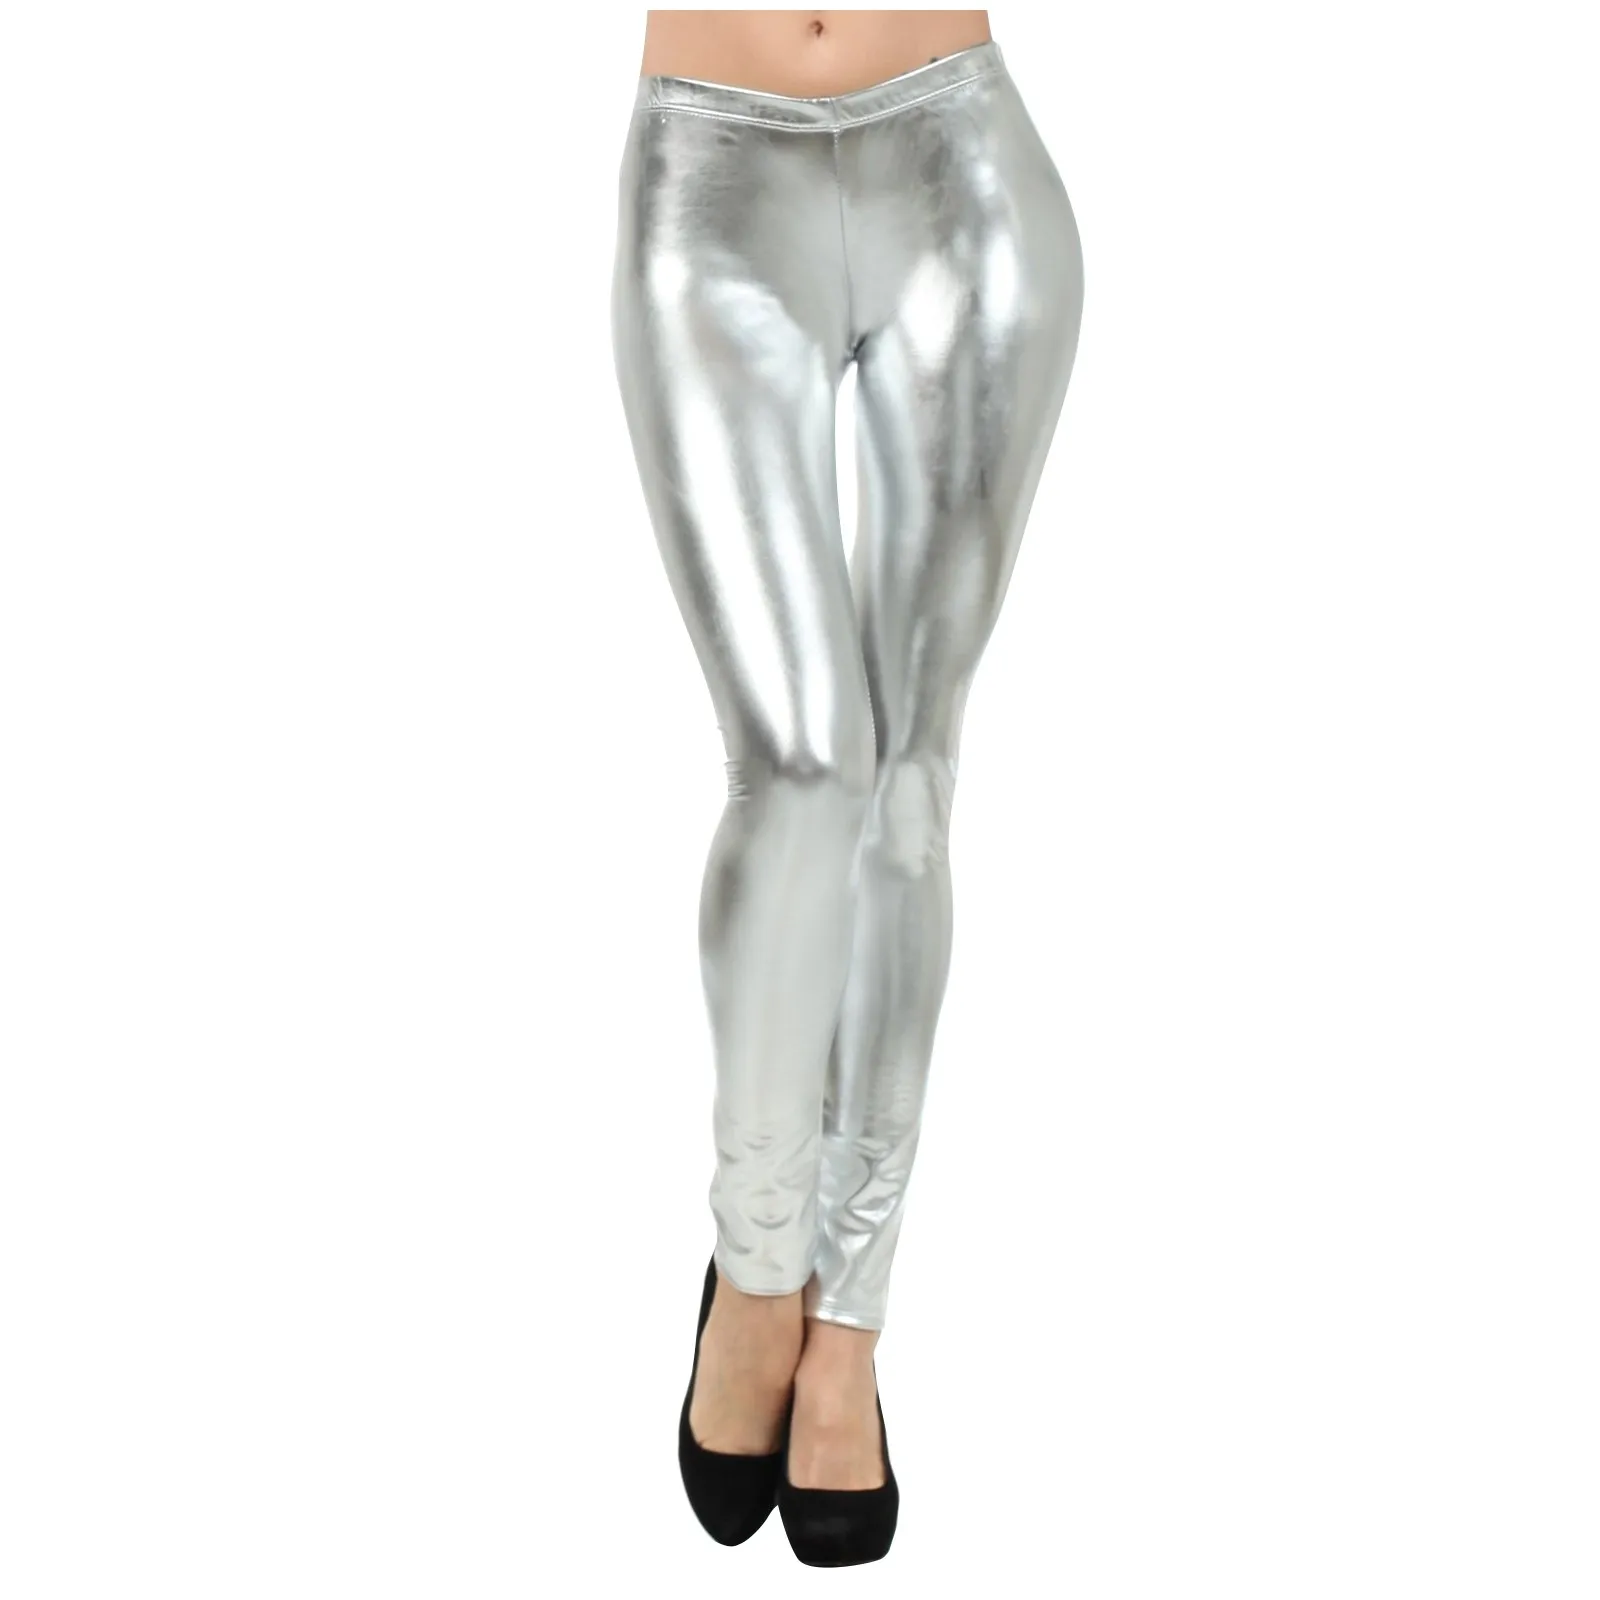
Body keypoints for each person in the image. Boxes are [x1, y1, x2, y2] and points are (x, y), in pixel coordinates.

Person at [611, 9, 1083, 1564]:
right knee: (805, 763)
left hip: (963, 168)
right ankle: (759, 1269)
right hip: (713, 173)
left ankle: (851, 1323)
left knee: (907, 787)